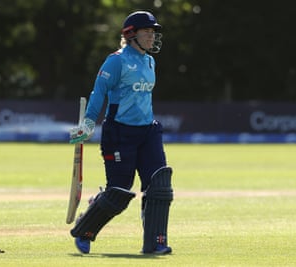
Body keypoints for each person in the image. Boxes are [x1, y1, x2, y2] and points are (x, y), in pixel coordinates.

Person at [69, 11, 173, 255]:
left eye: (153, 32)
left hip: (148, 132)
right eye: (147, 31)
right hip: (119, 133)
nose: (152, 36)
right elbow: (99, 92)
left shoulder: (150, 61)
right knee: (119, 193)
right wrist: (88, 124)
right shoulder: (117, 61)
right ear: (131, 34)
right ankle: (85, 228)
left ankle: (156, 243)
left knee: (159, 186)